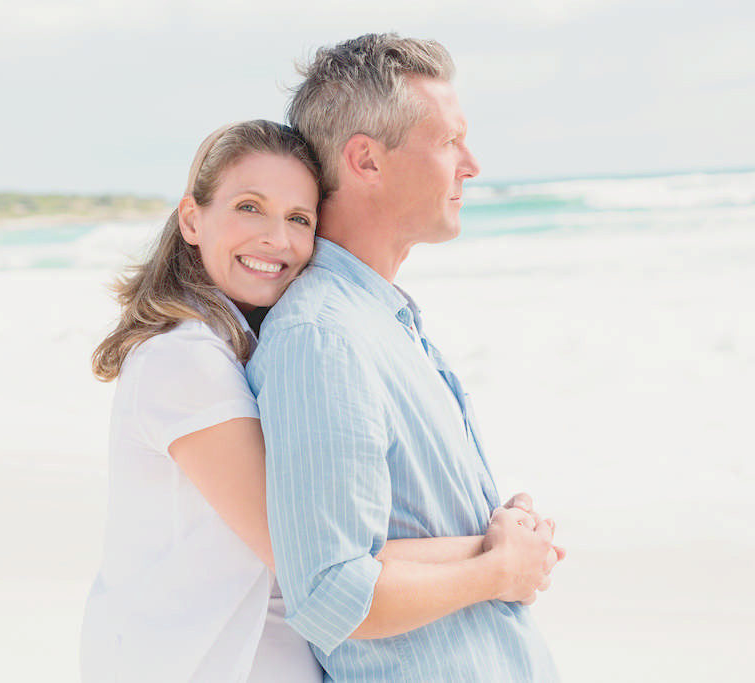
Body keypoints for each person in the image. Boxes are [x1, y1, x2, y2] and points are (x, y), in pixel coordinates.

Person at [80, 119, 557, 682]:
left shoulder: (243, 348)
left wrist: (504, 537)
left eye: (298, 219)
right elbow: (317, 561)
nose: (276, 239)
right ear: (191, 219)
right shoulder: (183, 360)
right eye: (250, 207)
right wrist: (499, 558)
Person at [247, 34, 563, 681]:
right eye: (449, 141)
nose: (471, 164)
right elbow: (330, 591)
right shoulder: (322, 339)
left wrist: (501, 534)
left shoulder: (381, 321)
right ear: (366, 160)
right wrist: (500, 568)